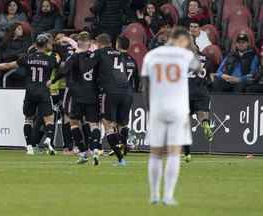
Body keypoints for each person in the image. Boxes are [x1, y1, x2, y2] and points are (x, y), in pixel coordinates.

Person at [141, 27, 199, 205]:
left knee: (156, 153)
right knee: (174, 153)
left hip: (157, 107)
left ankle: (154, 195)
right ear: (181, 40)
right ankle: (168, 195)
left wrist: (150, 107)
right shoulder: (185, 55)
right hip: (178, 109)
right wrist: (190, 49)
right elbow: (198, 68)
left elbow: (145, 84)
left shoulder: (151, 55)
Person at [0, 34, 59, 155]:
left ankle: (29, 146)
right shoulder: (51, 59)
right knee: (49, 119)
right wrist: (52, 81)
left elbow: (8, 65)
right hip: (43, 91)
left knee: (28, 119)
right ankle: (49, 139)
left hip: (30, 91)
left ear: (35, 44)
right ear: (46, 45)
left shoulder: (27, 58)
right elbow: (61, 67)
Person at [85, 33, 139, 166]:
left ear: (99, 43)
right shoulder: (121, 54)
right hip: (126, 92)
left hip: (109, 92)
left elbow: (87, 68)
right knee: (122, 124)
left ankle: (121, 158)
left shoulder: (99, 53)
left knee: (108, 124)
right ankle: (123, 145)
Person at [51, 31, 102, 165]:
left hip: (77, 95)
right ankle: (95, 149)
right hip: (92, 94)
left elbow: (63, 71)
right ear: (90, 43)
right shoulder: (96, 57)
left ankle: (83, 152)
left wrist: (52, 81)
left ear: (78, 43)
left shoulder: (74, 57)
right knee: (93, 124)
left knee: (73, 123)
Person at [183, 42, 213, 163]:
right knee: (202, 114)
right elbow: (210, 78)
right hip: (202, 92)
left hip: (186, 92)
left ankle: (187, 154)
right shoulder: (207, 59)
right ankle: (205, 123)